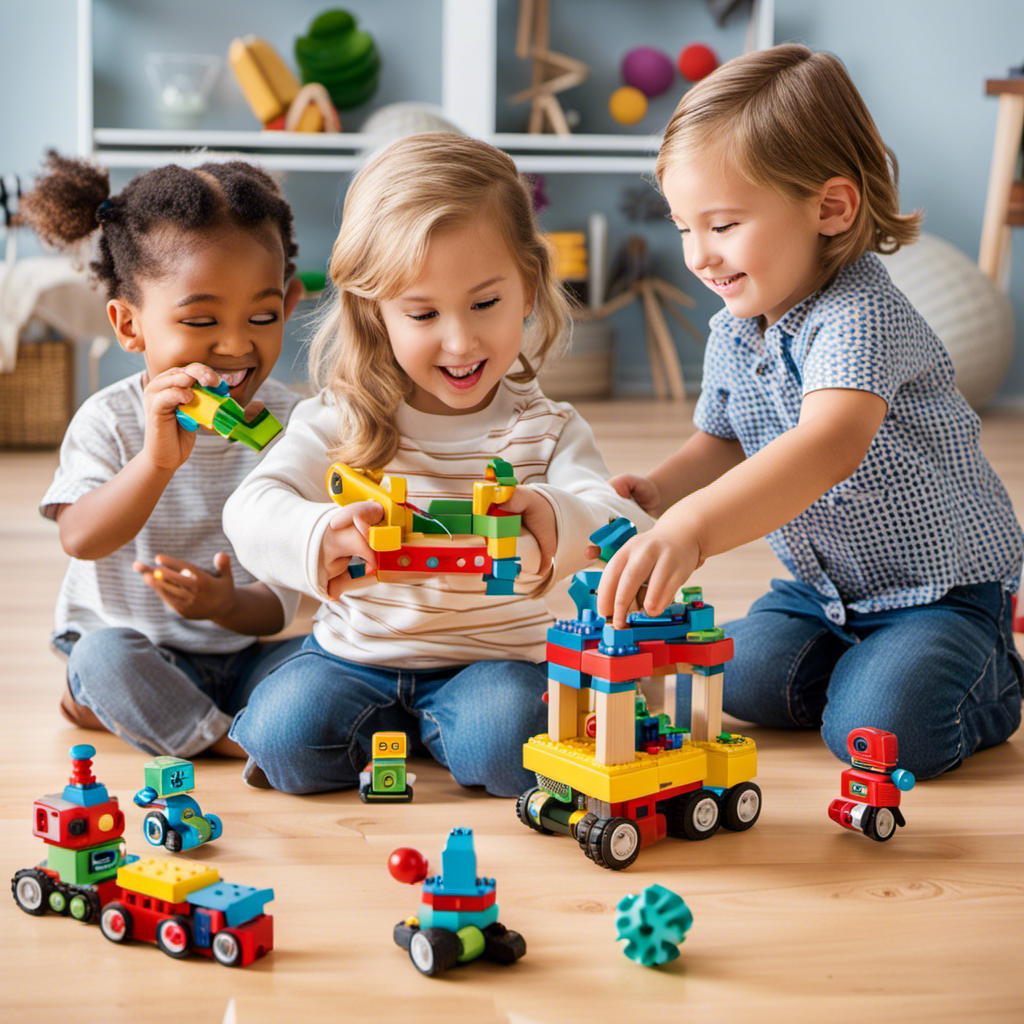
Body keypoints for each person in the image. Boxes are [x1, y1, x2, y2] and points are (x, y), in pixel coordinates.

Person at [593, 45, 1024, 779]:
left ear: (830, 208)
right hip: (821, 595)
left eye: (722, 225)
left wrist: (694, 530)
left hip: (937, 596)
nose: (698, 256)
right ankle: (867, 669)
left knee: (882, 736)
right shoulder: (736, 323)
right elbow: (723, 440)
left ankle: (989, 681)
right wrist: (664, 491)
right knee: (736, 676)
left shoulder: (861, 313)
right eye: (683, 226)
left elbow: (827, 445)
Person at [223, 132, 652, 796]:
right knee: (284, 739)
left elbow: (618, 521)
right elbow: (251, 506)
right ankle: (402, 735)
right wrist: (316, 535)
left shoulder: (546, 428)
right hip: (355, 656)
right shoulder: (345, 417)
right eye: (422, 313)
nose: (460, 340)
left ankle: (434, 736)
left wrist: (551, 514)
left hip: (495, 663)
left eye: (485, 303)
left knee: (508, 744)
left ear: (530, 286)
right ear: (376, 313)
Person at [21, 151, 307, 759]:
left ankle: (160, 716)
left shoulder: (293, 426)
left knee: (333, 654)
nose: (235, 345)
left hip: (244, 654)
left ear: (289, 303)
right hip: (138, 644)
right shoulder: (109, 419)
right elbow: (80, 537)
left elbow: (278, 608)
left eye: (262, 314)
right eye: (201, 320)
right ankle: (221, 736)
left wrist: (227, 604)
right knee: (100, 659)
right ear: (130, 326)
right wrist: (155, 462)